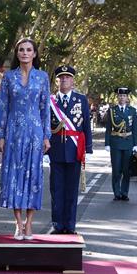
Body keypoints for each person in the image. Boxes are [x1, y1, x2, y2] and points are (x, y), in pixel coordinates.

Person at [0, 37, 51, 240]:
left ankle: (29, 224)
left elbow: (45, 109)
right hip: (13, 132)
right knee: (14, 177)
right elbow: (3, 107)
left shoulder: (43, 77)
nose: (25, 53)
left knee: (33, 175)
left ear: (34, 53)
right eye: (21, 50)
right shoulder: (8, 77)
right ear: (17, 54)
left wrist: (46, 136)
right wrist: (0, 135)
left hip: (35, 133)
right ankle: (18, 224)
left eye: (29, 49)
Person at [47, 65, 92, 234]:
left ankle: (70, 225)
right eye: (61, 77)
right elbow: (46, 125)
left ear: (73, 80)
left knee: (71, 191)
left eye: (67, 77)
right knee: (56, 190)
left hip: (75, 149)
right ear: (57, 81)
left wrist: (87, 148)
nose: (64, 80)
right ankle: (57, 224)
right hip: (56, 150)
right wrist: (45, 150)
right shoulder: (51, 100)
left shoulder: (81, 99)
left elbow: (86, 124)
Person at [104, 87, 137, 201]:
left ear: (127, 97)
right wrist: (107, 143)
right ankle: (116, 193)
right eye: (120, 96)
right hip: (116, 143)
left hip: (128, 142)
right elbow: (108, 128)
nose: (122, 98)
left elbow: (135, 129)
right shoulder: (112, 111)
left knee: (126, 170)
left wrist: (135, 144)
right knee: (116, 169)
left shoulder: (132, 110)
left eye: (124, 96)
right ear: (117, 97)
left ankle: (124, 193)